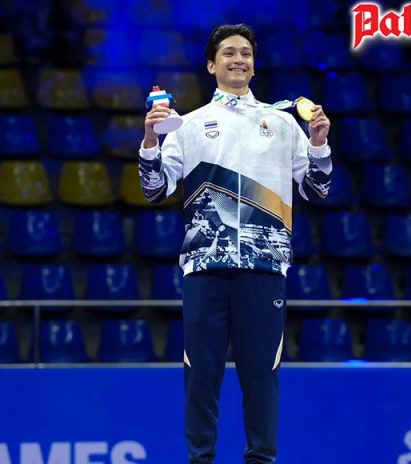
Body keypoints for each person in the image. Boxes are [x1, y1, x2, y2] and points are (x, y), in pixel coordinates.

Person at [139, 23, 332, 463]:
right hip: (205, 266)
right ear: (211, 65)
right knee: (201, 377)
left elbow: (316, 189)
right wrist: (150, 141)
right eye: (228, 53)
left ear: (254, 65)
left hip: (265, 266)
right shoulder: (187, 125)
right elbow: (155, 189)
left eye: (245, 53)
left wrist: (319, 145)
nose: (238, 59)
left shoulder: (283, 123)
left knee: (261, 377)